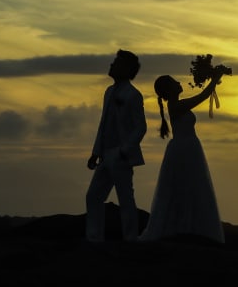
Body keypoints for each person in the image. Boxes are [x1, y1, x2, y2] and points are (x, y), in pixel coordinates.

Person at [138, 65, 229, 244]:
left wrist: (213, 80)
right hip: (184, 150)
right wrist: (214, 80)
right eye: (174, 82)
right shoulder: (175, 106)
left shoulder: (176, 105)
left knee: (190, 187)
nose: (179, 82)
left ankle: (189, 228)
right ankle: (184, 229)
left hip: (188, 148)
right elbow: (202, 97)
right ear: (169, 90)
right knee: (186, 187)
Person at [84, 49, 147, 242]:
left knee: (125, 199)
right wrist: (96, 152)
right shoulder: (109, 92)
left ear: (126, 69)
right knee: (93, 196)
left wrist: (124, 150)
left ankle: (130, 238)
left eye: (116, 63)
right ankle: (94, 237)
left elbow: (140, 127)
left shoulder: (133, 95)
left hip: (120, 155)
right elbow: (103, 124)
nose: (111, 65)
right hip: (105, 154)